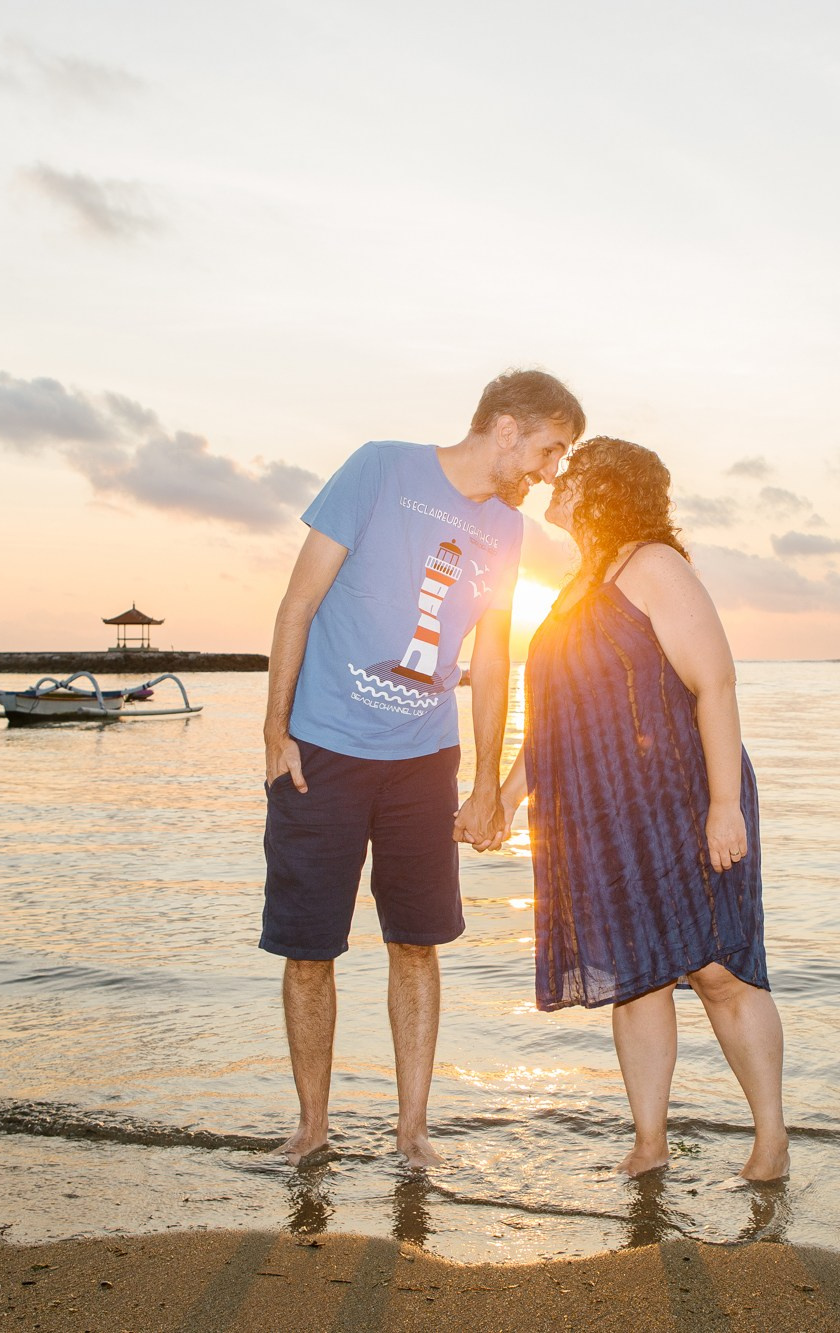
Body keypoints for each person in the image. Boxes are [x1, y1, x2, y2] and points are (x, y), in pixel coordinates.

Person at [261, 369, 583, 1168]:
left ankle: (412, 1131)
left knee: (418, 942)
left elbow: (493, 659)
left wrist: (485, 779)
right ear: (505, 428)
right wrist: (274, 726)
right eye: (550, 450)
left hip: (423, 761)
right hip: (324, 747)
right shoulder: (378, 467)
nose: (551, 473)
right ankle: (312, 1128)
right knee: (311, 948)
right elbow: (298, 600)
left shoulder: (507, 531)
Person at [481, 437, 788, 1181]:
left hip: (684, 801)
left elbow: (715, 684)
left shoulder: (653, 564)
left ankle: (771, 1140)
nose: (559, 476)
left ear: (607, 487)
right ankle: (650, 1145)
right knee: (638, 976)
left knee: (719, 970)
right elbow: (556, 725)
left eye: (574, 468)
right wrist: (502, 800)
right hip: (611, 818)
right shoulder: (576, 585)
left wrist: (723, 806)